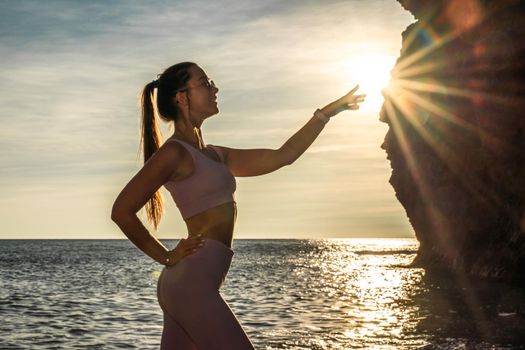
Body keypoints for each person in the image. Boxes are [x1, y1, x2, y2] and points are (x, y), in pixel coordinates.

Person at [111, 62, 365, 350]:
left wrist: (327, 113)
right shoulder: (174, 153)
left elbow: (284, 156)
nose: (214, 88)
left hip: (194, 283)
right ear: (182, 98)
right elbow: (122, 210)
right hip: (190, 285)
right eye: (204, 83)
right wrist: (165, 256)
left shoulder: (215, 155)